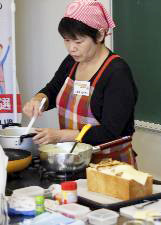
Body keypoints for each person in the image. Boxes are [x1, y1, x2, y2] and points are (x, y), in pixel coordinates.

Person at [23, 0, 138, 165]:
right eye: (66, 40)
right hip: (75, 160)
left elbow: (111, 132)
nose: (71, 49)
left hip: (110, 165)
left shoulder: (117, 73)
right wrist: (38, 100)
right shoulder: (72, 61)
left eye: (78, 42)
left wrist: (61, 135)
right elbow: (53, 89)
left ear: (99, 35)